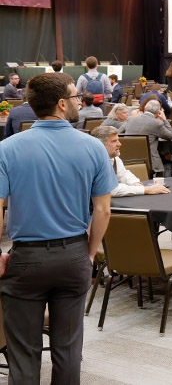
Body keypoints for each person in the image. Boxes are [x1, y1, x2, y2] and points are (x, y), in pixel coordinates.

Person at [0, 72, 115, 384]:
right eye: (75, 97)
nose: (79, 101)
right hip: (74, 255)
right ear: (63, 104)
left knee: (23, 351)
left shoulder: (7, 148)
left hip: (25, 260)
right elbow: (103, 209)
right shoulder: (93, 148)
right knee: (67, 349)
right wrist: (90, 254)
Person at [91, 126, 170, 196]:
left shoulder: (114, 158)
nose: (120, 144)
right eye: (114, 141)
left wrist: (135, 183)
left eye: (118, 140)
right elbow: (111, 189)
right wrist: (145, 190)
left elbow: (123, 174)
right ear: (100, 144)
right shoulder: (94, 162)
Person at [119, 98, 172, 175]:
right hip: (149, 161)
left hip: (128, 158)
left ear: (145, 108)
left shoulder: (130, 119)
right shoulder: (157, 123)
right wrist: (165, 120)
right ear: (159, 112)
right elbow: (170, 136)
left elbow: (118, 133)